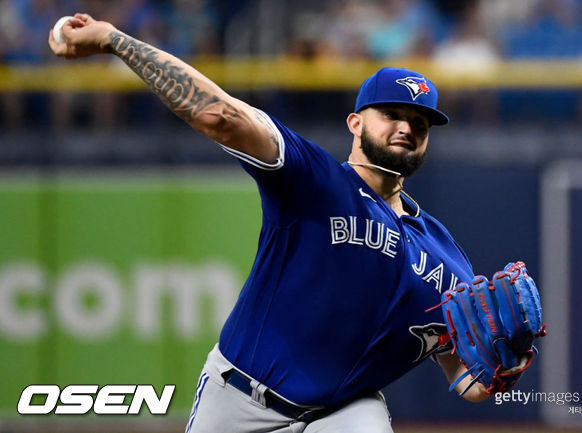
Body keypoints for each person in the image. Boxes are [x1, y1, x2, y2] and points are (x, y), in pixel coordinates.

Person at [49, 13, 498, 433]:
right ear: (356, 123)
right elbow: (221, 116)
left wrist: (503, 366)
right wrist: (114, 39)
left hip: (344, 412)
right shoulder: (315, 181)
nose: (406, 127)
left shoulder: (447, 256)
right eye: (393, 115)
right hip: (239, 398)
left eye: (420, 122)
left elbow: (466, 380)